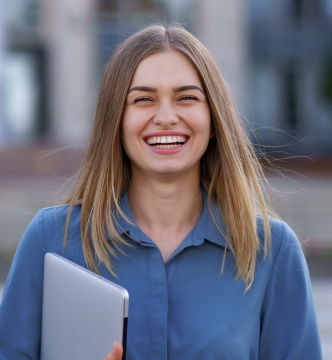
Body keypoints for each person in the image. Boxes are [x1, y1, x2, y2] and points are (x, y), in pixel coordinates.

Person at [0, 24, 322, 360]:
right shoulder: (52, 241)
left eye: (187, 97)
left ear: (213, 119)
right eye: (143, 99)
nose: (166, 117)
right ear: (117, 121)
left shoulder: (273, 251)